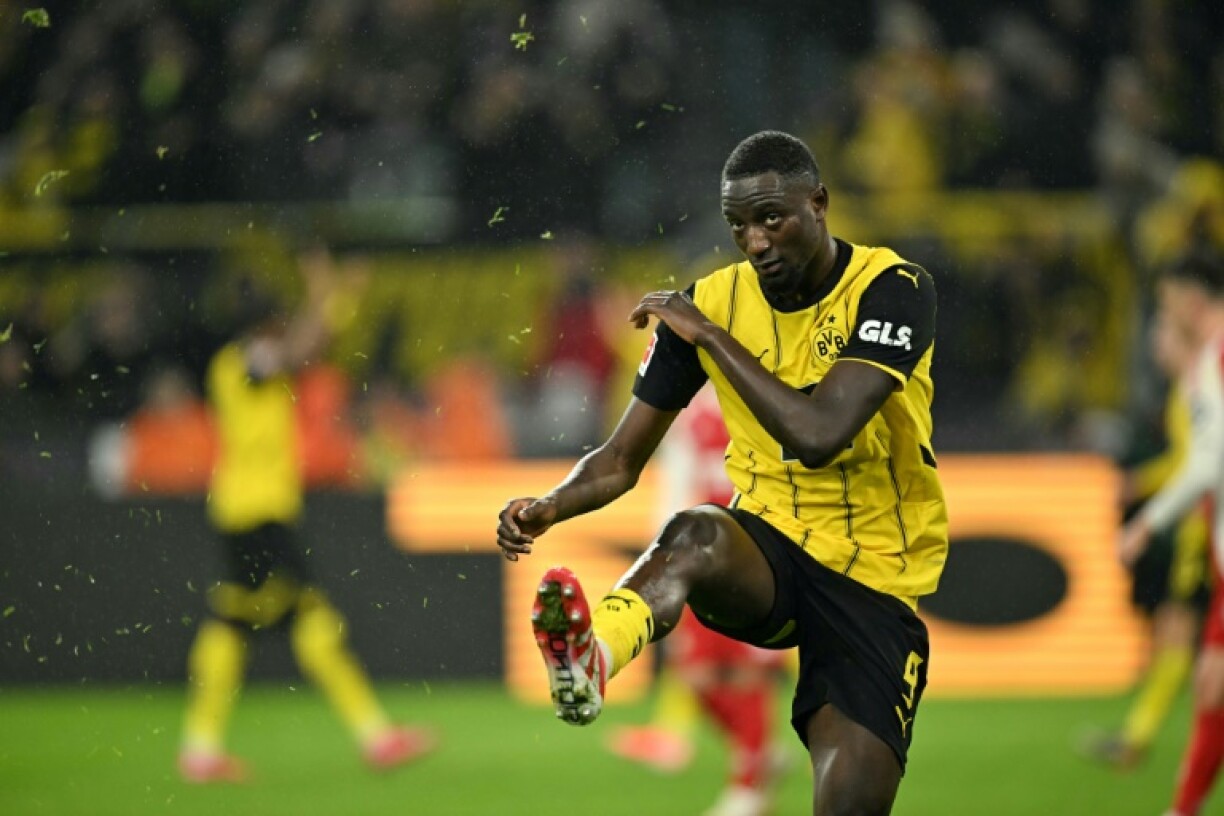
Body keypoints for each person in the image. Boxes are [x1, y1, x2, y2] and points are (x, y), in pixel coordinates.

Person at [497, 130, 946, 815]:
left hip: (874, 577)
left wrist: (706, 335)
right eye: (739, 225)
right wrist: (550, 505)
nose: (756, 241)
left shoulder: (894, 289)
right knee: (696, 534)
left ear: (819, 203)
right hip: (770, 548)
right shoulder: (713, 299)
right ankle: (593, 661)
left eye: (773, 218)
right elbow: (621, 459)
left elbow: (820, 434)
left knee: (851, 803)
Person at [178, 253, 435, 783]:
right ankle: (375, 736)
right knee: (305, 620)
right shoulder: (243, 361)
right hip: (258, 514)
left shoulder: (243, 362)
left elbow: (307, 348)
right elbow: (299, 349)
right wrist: (325, 295)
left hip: (246, 512)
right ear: (264, 324)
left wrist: (335, 301)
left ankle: (201, 749)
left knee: (239, 622)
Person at [606, 384, 791, 816]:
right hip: (710, 557)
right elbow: (675, 485)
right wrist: (664, 559)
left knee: (751, 672)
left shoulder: (771, 398)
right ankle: (758, 753)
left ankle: (748, 785)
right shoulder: (689, 412)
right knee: (696, 673)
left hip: (766, 550)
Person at [1081, 308, 1210, 770]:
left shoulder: (1199, 386)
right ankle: (1137, 738)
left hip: (1207, 533)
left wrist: (1142, 492)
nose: (1155, 344)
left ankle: (1139, 740)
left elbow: (1195, 464)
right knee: (1182, 634)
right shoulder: (1189, 388)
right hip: (1201, 530)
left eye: (1162, 333)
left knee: (1185, 637)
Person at [1120, 248, 1224, 816]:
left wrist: (1145, 523)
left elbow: (1209, 463)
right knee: (1211, 684)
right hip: (1216, 560)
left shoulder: (1215, 358)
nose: (1163, 317)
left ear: (1190, 297)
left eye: (1165, 304)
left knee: (1212, 681)